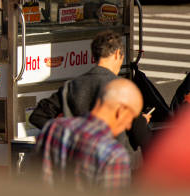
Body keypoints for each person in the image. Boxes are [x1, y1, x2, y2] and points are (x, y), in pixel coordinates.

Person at [29, 30, 151, 160]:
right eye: (122, 58)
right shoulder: (121, 89)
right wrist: (142, 121)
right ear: (117, 54)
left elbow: (38, 116)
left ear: (94, 56)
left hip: (76, 161)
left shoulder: (72, 86)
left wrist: (66, 135)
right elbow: (141, 136)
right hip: (115, 162)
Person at [34, 79, 143, 192]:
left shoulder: (53, 128)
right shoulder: (114, 155)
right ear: (120, 111)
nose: (129, 126)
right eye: (131, 118)